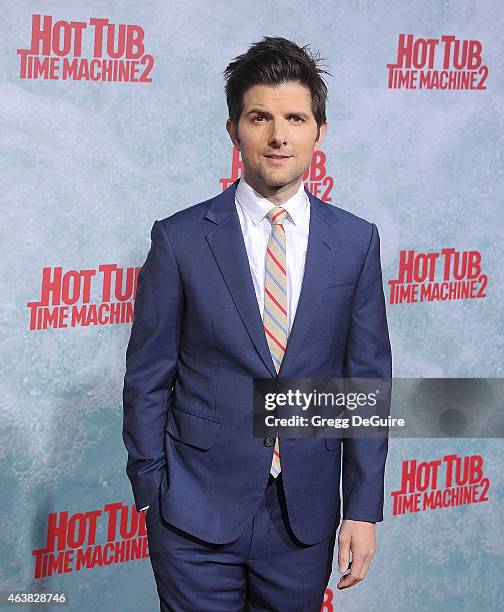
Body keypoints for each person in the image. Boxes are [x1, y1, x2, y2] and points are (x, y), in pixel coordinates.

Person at [122, 35, 392, 611]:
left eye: (295, 118)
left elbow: (365, 383)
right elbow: (148, 376)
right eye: (259, 117)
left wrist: (362, 507)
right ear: (233, 129)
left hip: (304, 514)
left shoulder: (355, 241)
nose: (278, 136)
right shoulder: (181, 239)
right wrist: (152, 490)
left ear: (320, 130)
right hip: (193, 512)